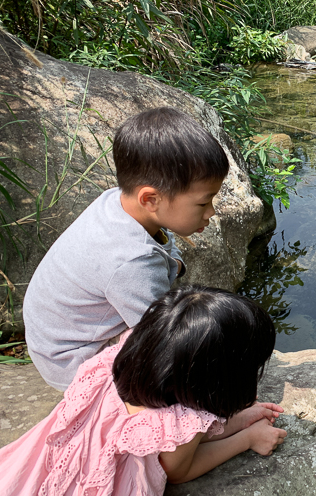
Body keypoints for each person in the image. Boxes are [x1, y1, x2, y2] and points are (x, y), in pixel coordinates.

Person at [0, 285, 287, 496]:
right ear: (213, 381)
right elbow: (179, 468)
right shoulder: (181, 419)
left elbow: (164, 440)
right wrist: (247, 439)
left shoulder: (126, 358)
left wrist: (239, 419)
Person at [23, 106, 230, 391]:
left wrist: (174, 266)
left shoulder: (118, 202)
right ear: (150, 199)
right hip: (73, 363)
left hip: (56, 342)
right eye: (203, 203)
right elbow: (160, 336)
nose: (211, 212)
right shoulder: (131, 262)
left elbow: (164, 240)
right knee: (192, 362)